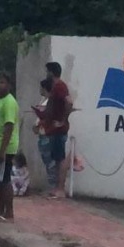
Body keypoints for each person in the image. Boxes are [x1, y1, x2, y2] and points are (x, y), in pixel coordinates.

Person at [0, 72, 19, 221]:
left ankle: (9, 213)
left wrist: (2, 150)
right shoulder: (0, 101)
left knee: (5, 179)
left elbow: (9, 126)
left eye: (2, 82)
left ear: (9, 85)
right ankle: (0, 209)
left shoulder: (9, 102)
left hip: (6, 147)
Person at [44, 61, 73, 198]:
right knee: (56, 158)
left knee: (60, 158)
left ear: (51, 72)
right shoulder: (56, 87)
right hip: (54, 129)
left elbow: (69, 102)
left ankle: (60, 189)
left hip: (59, 129)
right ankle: (57, 188)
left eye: (47, 71)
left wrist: (63, 120)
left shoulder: (60, 86)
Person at [32, 78, 59, 195]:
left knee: (50, 162)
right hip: (42, 134)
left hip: (46, 134)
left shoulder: (49, 103)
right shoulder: (44, 100)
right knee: (47, 161)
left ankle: (53, 188)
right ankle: (52, 186)